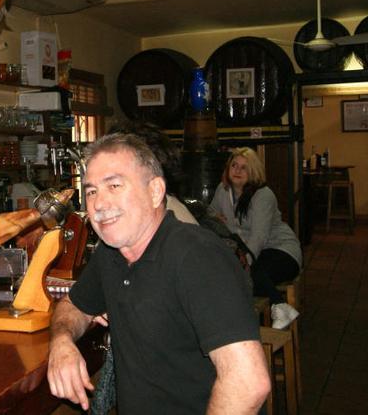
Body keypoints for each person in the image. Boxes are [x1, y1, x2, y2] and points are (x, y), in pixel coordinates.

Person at [47, 133, 270, 414]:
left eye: (114, 185)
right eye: (91, 191)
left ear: (155, 192)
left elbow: (248, 383)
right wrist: (61, 343)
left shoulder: (197, 257)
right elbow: (73, 305)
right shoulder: (112, 252)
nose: (99, 204)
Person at [210, 146, 303, 330]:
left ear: (253, 172)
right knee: (234, 276)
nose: (237, 171)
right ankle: (279, 307)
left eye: (244, 167)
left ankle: (278, 306)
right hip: (252, 252)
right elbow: (210, 211)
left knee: (245, 275)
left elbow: (258, 239)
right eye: (234, 165)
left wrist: (240, 266)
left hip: (282, 250)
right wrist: (214, 217)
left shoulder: (263, 195)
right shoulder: (223, 190)